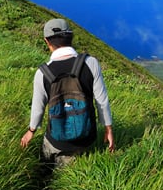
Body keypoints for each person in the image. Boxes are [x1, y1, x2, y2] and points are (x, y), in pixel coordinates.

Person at [20, 18, 114, 167]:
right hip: (85, 139)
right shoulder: (91, 63)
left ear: (47, 41)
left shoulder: (42, 73)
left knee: (46, 164)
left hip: (56, 141)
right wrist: (108, 128)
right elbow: (102, 101)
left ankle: (44, 176)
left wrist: (31, 131)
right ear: (71, 37)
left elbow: (38, 108)